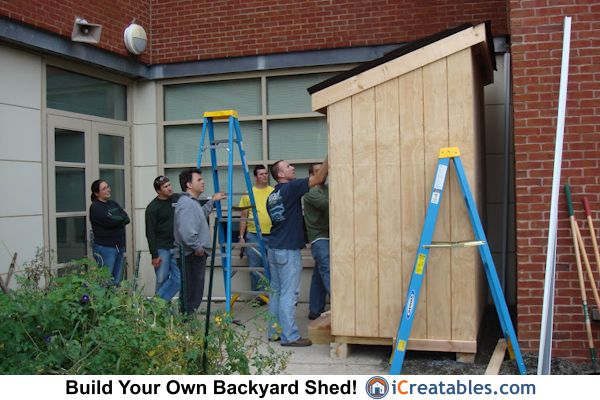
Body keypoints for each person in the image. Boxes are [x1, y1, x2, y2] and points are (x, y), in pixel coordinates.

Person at [266, 158, 328, 347]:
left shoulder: (272, 195)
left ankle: (275, 332)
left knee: (276, 292)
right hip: (287, 250)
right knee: (288, 294)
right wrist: (330, 156)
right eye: (288, 166)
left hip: (274, 248)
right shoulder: (290, 189)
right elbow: (318, 178)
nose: (293, 168)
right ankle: (290, 336)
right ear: (280, 175)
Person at [174, 168, 226, 314]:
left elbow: (199, 216)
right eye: (199, 180)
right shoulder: (186, 204)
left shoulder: (192, 203)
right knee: (191, 294)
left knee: (192, 293)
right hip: (191, 256)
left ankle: (186, 325)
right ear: (189, 185)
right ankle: (186, 327)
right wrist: (198, 248)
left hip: (193, 255)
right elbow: (186, 232)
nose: (203, 182)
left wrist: (212, 202)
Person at [238, 165, 274, 297]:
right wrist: (241, 236)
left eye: (266, 174)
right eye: (261, 174)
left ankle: (271, 296)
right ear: (255, 177)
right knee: (255, 267)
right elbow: (243, 215)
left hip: (272, 234)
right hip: (253, 235)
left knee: (271, 266)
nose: (265, 176)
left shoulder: (273, 191)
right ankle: (259, 297)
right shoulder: (249, 193)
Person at [145, 175, 181, 301]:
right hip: (161, 249)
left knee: (179, 280)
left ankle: (157, 303)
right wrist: (154, 255)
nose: (169, 188)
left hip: (177, 247)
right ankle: (161, 312)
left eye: (170, 185)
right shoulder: (152, 208)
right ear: (158, 191)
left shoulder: (177, 198)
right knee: (161, 279)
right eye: (165, 187)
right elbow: (150, 233)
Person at [89, 179, 130, 284]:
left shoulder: (113, 204)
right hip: (105, 248)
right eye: (104, 188)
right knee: (105, 280)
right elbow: (110, 222)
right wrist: (119, 219)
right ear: (96, 193)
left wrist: (117, 219)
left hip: (119, 246)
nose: (108, 190)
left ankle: (113, 300)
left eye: (107, 187)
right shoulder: (95, 207)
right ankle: (103, 300)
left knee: (116, 280)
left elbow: (126, 218)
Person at [303, 163, 330, 320]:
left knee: (319, 276)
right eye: (318, 171)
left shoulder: (327, 189)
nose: (323, 173)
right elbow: (327, 204)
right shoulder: (310, 192)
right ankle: (341, 308)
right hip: (319, 237)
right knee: (327, 270)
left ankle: (315, 310)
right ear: (312, 175)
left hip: (329, 235)